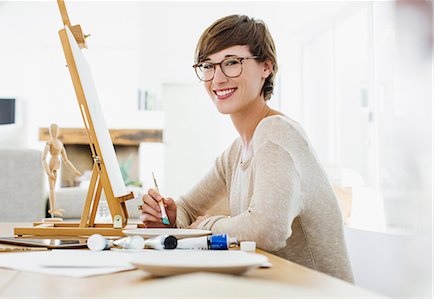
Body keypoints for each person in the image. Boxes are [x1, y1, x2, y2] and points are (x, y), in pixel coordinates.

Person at [140, 15, 354, 282]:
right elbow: (185, 209)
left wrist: (205, 225)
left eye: (231, 63)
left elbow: (267, 230)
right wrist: (171, 217)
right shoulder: (234, 154)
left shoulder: (276, 131)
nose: (217, 79)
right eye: (208, 66)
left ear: (266, 67)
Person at [42, 123, 82, 220]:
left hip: (57, 164)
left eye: (55, 131)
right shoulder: (49, 143)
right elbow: (43, 159)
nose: (54, 132)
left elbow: (66, 160)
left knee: (53, 189)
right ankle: (52, 210)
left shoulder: (60, 143)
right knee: (51, 188)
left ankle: (53, 209)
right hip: (51, 165)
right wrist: (48, 172)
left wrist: (74, 170)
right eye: (52, 130)